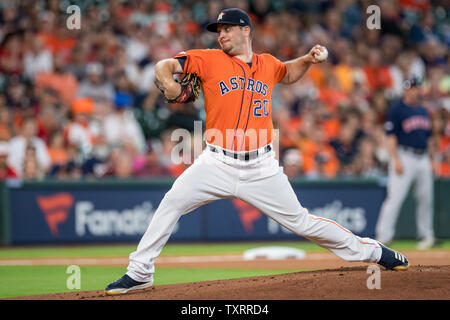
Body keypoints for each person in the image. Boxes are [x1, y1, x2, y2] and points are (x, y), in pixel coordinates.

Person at [106, 8, 409, 295]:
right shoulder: (209, 59)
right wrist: (168, 84)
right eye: (218, 30)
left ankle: (374, 251)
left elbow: (287, 73)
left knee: (302, 222)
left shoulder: (267, 64)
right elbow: (165, 65)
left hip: (261, 167)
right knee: (172, 202)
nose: (221, 34)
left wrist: (307, 59)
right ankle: (141, 271)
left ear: (245, 31)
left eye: (226, 29)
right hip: (217, 161)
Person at [375, 76, 436, 250]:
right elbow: (390, 136)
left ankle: (427, 235)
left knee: (426, 199)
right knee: (395, 198)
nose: (412, 91)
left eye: (415, 87)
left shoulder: (423, 110)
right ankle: (383, 236)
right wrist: (395, 159)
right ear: (405, 90)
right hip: (404, 156)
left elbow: (429, 138)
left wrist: (432, 160)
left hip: (423, 157)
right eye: (409, 88)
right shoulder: (397, 109)